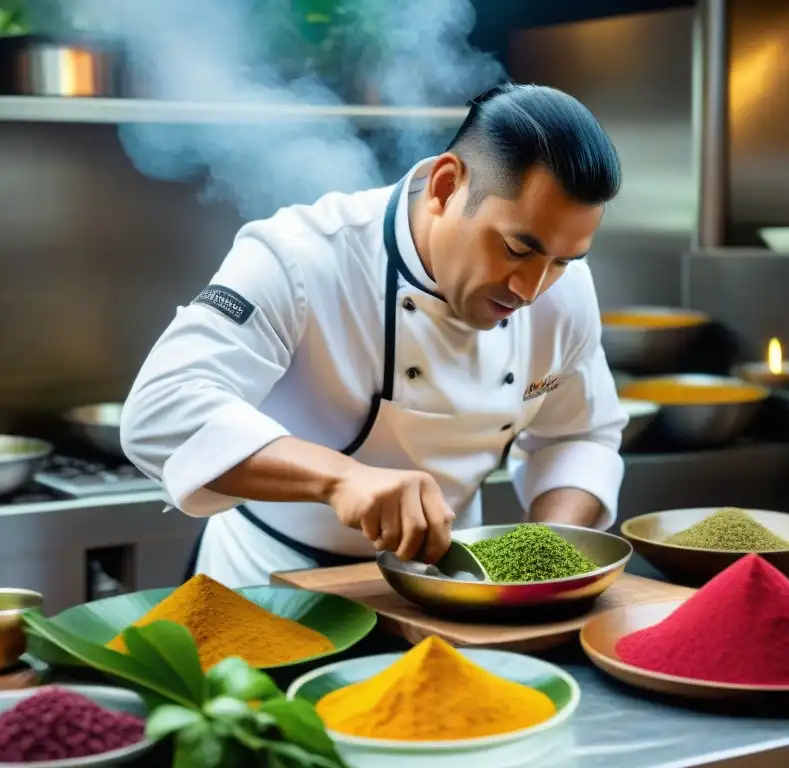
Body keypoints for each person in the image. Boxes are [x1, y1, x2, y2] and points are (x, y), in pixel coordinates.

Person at [120, 82, 629, 588]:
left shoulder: (563, 293)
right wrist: (339, 478)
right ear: (446, 187)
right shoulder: (302, 255)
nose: (531, 289)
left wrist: (539, 558)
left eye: (562, 261)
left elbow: (579, 435)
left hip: (449, 591)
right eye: (517, 249)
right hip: (269, 584)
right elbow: (160, 410)